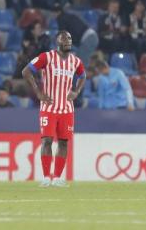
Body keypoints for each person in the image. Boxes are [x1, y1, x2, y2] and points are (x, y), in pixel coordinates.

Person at [22, 30, 86, 187]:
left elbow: (83, 76)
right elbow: (26, 71)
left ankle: (57, 178)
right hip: (49, 107)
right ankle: (45, 177)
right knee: (47, 141)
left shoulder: (76, 61)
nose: (68, 41)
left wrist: (76, 91)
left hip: (67, 109)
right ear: (58, 41)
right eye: (64, 39)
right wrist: (38, 92)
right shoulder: (46, 57)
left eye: (70, 38)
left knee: (63, 143)